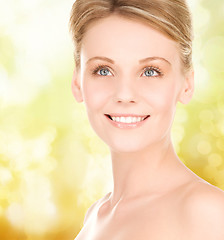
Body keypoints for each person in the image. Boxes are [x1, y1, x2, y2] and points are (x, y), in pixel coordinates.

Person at [68, 0, 224, 239]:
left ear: (187, 84)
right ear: (78, 84)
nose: (124, 94)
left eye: (150, 71)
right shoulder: (94, 218)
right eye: (103, 70)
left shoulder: (207, 213)